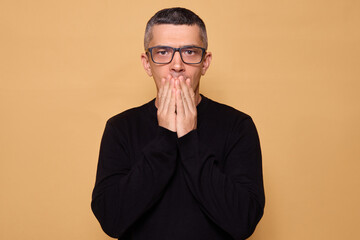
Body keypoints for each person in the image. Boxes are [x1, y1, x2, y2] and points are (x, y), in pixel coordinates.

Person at [91, 7, 265, 240]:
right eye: (163, 52)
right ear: (146, 63)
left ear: (205, 62)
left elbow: (243, 221)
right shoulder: (120, 128)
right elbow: (112, 220)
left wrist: (189, 139)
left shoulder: (238, 126)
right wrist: (165, 137)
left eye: (190, 52)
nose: (176, 65)